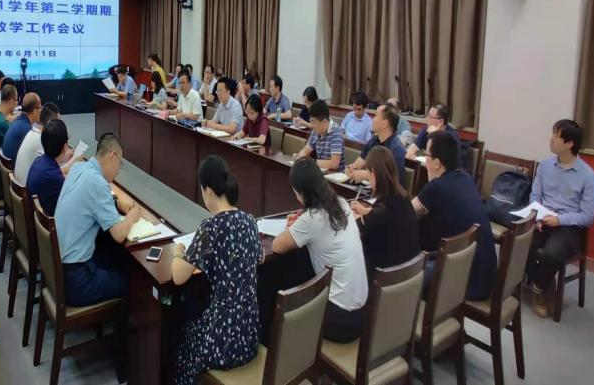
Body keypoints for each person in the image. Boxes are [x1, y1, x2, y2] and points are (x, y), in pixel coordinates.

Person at [172, 156, 261, 384]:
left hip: (222, 339)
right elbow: (258, 256)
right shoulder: (250, 221)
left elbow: (178, 276)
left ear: (208, 191)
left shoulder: (210, 227)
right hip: (249, 332)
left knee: (184, 337)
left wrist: (177, 253)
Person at [272, 158, 368, 343]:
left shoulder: (312, 218)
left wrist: (295, 227)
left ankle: (288, 352)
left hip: (340, 319)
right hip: (361, 313)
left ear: (301, 193)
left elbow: (277, 246)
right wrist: (300, 224)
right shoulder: (341, 203)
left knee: (286, 306)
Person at [55, 134, 141, 306]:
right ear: (112, 156)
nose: (118, 171)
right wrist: (133, 215)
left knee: (111, 254)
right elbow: (119, 235)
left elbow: (87, 201)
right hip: (78, 281)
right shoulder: (97, 183)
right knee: (134, 281)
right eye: (120, 164)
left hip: (60, 267)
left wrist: (115, 203)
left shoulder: (78, 168)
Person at [412, 131, 496, 300]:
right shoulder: (465, 178)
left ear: (436, 163)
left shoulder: (437, 187)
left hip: (467, 281)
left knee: (405, 282)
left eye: (426, 155)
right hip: (485, 273)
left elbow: (407, 213)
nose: (424, 160)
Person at [527, 120, 594, 318]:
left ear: (569, 144)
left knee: (550, 254)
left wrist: (559, 220)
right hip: (542, 220)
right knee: (519, 243)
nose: (551, 139)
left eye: (556, 136)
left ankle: (538, 288)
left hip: (567, 226)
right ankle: (545, 283)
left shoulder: (588, 176)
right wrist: (537, 216)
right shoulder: (545, 166)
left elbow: (588, 216)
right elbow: (535, 197)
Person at [351, 147, 421, 273]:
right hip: (412, 271)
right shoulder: (404, 197)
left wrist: (356, 217)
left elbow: (356, 230)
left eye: (367, 171)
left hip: (386, 277)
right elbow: (388, 217)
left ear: (373, 173)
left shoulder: (380, 212)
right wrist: (367, 211)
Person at [346, 103, 406, 185]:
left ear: (384, 123)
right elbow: (358, 163)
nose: (372, 119)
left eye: (376, 116)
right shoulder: (374, 141)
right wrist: (351, 169)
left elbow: (391, 181)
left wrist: (366, 175)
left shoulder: (396, 149)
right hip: (369, 187)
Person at [28, 119, 74, 215]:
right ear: (65, 146)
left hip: (36, 218)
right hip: (53, 222)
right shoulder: (55, 178)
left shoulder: (37, 162)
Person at [14, 102, 65, 185]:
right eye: (58, 124)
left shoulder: (33, 132)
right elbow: (52, 171)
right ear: (50, 124)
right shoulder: (40, 139)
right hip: (26, 189)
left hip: (22, 185)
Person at [295, 100, 345, 172]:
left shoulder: (336, 132)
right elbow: (305, 151)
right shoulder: (315, 130)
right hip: (321, 172)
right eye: (310, 121)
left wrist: (312, 162)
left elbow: (334, 163)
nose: (311, 125)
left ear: (324, 122)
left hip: (335, 175)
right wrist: (300, 157)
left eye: (313, 121)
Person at [3, 92, 41, 162]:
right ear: (34, 110)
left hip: (7, 165)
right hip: (14, 167)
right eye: (40, 107)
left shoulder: (17, 121)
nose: (41, 111)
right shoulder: (27, 131)